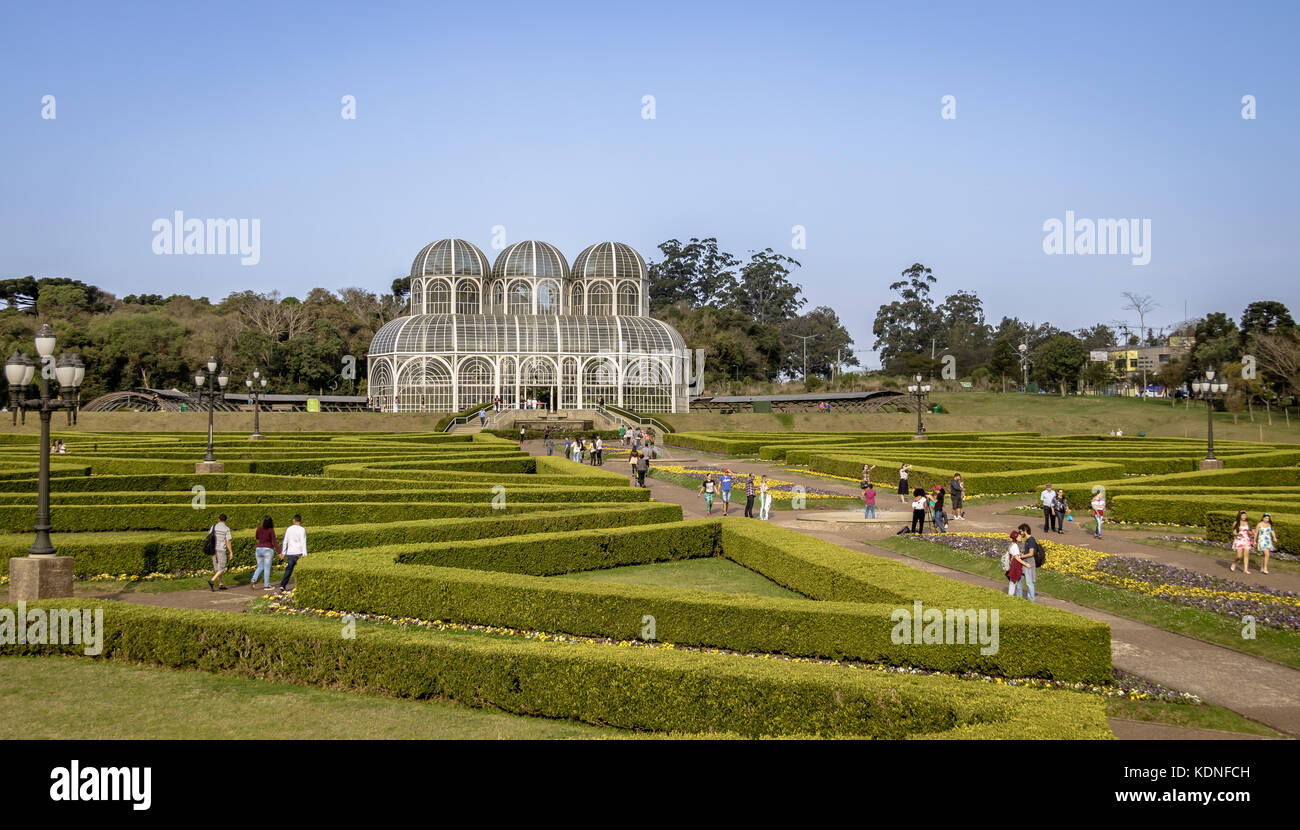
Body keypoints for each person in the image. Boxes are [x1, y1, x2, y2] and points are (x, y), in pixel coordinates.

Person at [278, 514, 307, 592]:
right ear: (300, 521)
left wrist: (283, 552)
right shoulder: (302, 529)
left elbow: (285, 541)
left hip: (290, 553)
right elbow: (303, 542)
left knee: (289, 570)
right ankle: (301, 585)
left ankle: (283, 585)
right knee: (300, 570)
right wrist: (305, 554)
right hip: (299, 553)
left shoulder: (289, 529)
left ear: (294, 520)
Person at [251, 515, 280, 590]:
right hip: (268, 549)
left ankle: (254, 579)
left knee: (260, 567)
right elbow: (274, 542)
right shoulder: (271, 530)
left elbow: (257, 537)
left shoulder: (259, 528)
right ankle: (266, 585)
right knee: (267, 568)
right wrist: (279, 552)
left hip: (258, 549)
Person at [208, 513, 234, 591]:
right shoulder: (226, 529)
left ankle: (220, 584)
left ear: (218, 519)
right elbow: (228, 541)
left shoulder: (213, 526)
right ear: (226, 520)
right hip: (221, 549)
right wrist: (231, 552)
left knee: (217, 568)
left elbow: (209, 536)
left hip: (213, 549)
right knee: (222, 568)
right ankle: (212, 580)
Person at [1016, 523, 1040, 602]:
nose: (1020, 533)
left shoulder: (1031, 540)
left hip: (1029, 562)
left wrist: (1021, 556)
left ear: (1025, 530)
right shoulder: (1027, 540)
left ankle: (1031, 599)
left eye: (1021, 532)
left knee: (1029, 582)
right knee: (1020, 580)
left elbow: (1031, 553)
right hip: (1025, 561)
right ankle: (1019, 596)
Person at [1231, 510, 1252, 574]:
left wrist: (1251, 533)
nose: (1244, 516)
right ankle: (1234, 563)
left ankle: (1245, 569)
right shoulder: (1236, 523)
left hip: (1246, 540)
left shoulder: (1247, 523)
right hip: (1239, 540)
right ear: (1240, 516)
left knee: (1246, 555)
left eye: (1245, 515)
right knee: (1239, 556)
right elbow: (1234, 532)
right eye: (1243, 515)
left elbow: (1249, 531)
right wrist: (1237, 534)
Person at [1005, 531, 1024, 596]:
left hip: (1013, 565)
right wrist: (1025, 564)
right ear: (1016, 538)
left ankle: (1016, 595)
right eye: (1019, 536)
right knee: (1013, 582)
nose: (1020, 537)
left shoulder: (1012, 544)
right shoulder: (1015, 545)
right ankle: (1011, 596)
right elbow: (1016, 557)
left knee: (1015, 581)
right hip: (1015, 566)